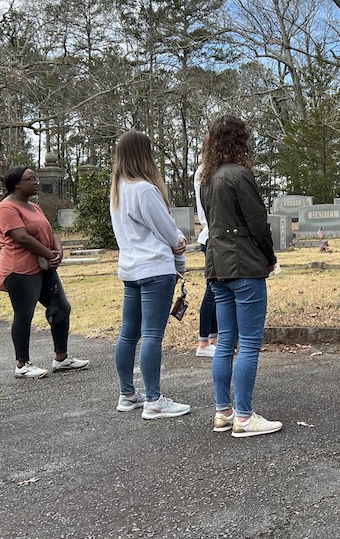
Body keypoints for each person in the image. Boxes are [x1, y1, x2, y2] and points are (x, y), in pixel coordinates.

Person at [198, 115, 281, 437]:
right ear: (240, 140)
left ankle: (224, 411)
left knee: (225, 342)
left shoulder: (208, 177)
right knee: (248, 343)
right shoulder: (239, 175)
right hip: (243, 263)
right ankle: (244, 418)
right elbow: (257, 221)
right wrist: (269, 257)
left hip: (217, 264)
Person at [109, 130, 191, 419]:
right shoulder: (144, 188)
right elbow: (168, 230)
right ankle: (154, 400)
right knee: (152, 334)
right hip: (155, 268)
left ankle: (127, 393)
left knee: (128, 333)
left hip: (131, 268)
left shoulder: (118, 189)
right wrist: (179, 242)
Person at [0, 166, 89, 379]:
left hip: (44, 267)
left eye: (36, 178)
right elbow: (22, 237)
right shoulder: (7, 207)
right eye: (31, 179)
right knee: (24, 315)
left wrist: (59, 250)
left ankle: (61, 358)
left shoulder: (34, 207)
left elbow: (50, 231)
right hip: (20, 270)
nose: (36, 182)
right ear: (17, 183)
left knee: (61, 308)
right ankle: (22, 365)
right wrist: (49, 253)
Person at [193, 145, 219, 358]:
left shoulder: (207, 169)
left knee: (216, 290)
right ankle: (203, 341)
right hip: (211, 236)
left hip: (209, 235)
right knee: (212, 290)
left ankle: (213, 338)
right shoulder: (206, 170)